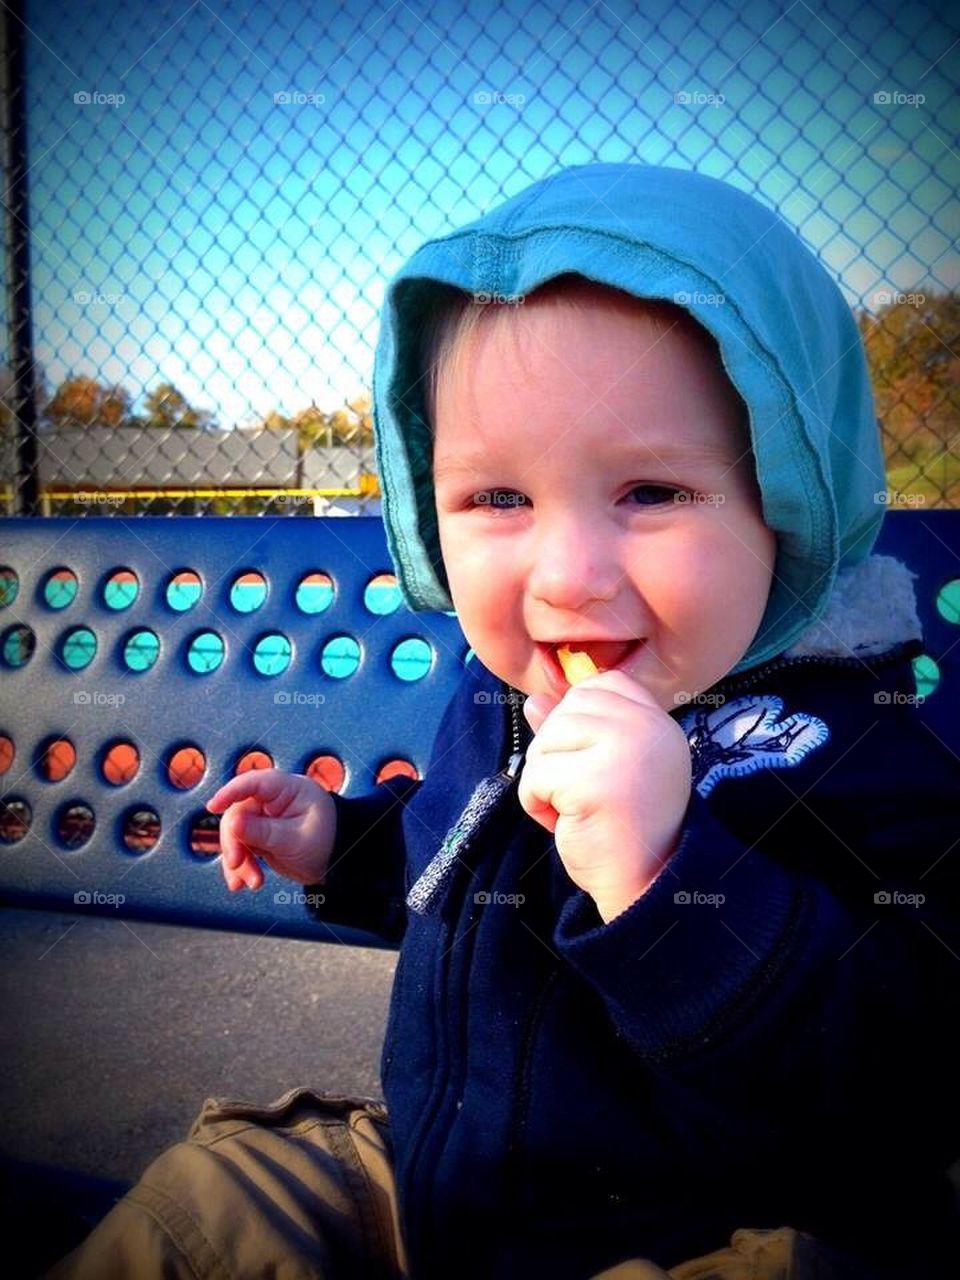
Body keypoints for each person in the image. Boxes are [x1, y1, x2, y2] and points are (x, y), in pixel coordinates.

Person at [44, 163, 960, 1280]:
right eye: (499, 499)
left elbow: (911, 1074)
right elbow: (466, 862)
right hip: (448, 1197)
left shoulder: (852, 733)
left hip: (712, 1233)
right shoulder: (502, 696)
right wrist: (344, 839)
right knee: (217, 1198)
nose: (567, 575)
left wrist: (666, 883)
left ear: (790, 493)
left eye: (652, 492)